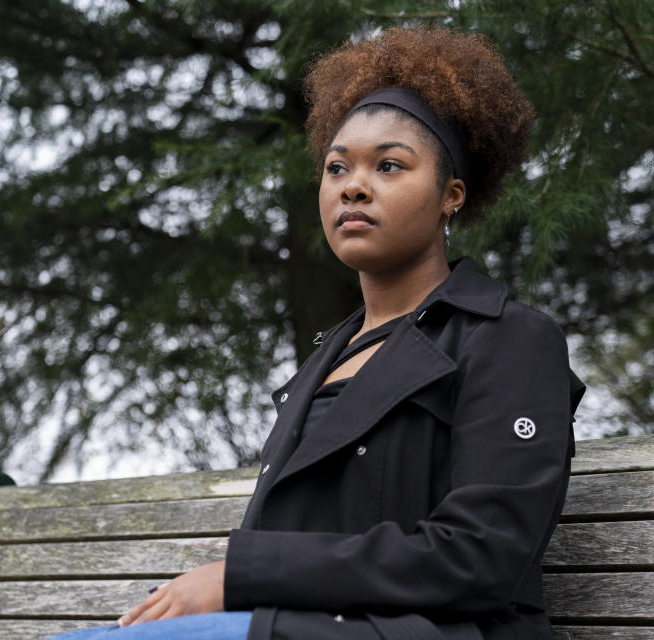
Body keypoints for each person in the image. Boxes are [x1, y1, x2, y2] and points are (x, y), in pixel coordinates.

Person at [44, 24, 585, 640]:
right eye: (336, 167)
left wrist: (238, 576)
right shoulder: (328, 356)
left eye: (388, 165)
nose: (353, 185)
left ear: (450, 195)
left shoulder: (509, 338)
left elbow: (479, 557)